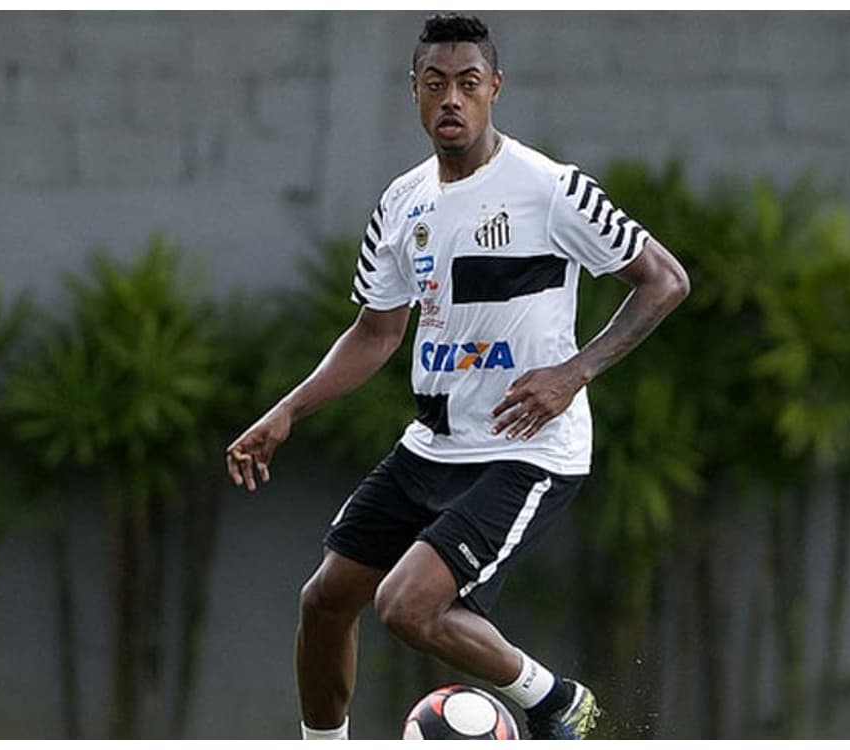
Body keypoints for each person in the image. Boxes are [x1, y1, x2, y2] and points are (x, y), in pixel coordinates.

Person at [225, 13, 690, 740]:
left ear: (494, 89)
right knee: (324, 601)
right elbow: (377, 333)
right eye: (436, 83)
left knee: (406, 605)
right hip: (434, 445)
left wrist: (574, 371)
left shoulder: (552, 189)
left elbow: (665, 281)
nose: (452, 99)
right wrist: (286, 411)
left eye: (468, 84)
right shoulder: (400, 204)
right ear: (413, 91)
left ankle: (556, 699)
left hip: (525, 448)